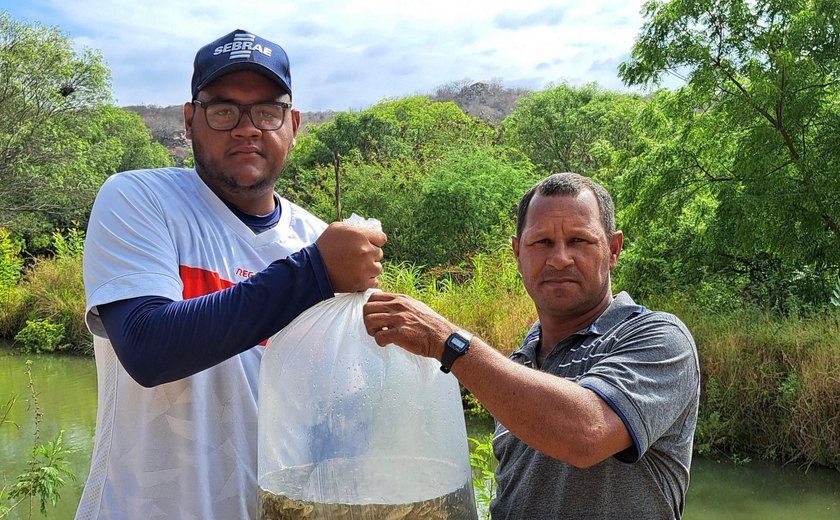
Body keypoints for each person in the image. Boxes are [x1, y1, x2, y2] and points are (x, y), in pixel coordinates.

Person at [76, 29, 386, 519]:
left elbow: (339, 415)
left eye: (267, 111)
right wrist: (315, 273)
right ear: (189, 121)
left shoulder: (317, 238)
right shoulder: (138, 199)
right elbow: (147, 347)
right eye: (223, 111)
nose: (247, 128)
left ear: (294, 124)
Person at [363, 172, 700, 519]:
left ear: (613, 250)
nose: (559, 258)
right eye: (542, 243)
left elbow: (587, 433)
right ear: (518, 253)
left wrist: (447, 342)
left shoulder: (657, 337)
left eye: (579, 240)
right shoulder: (519, 362)